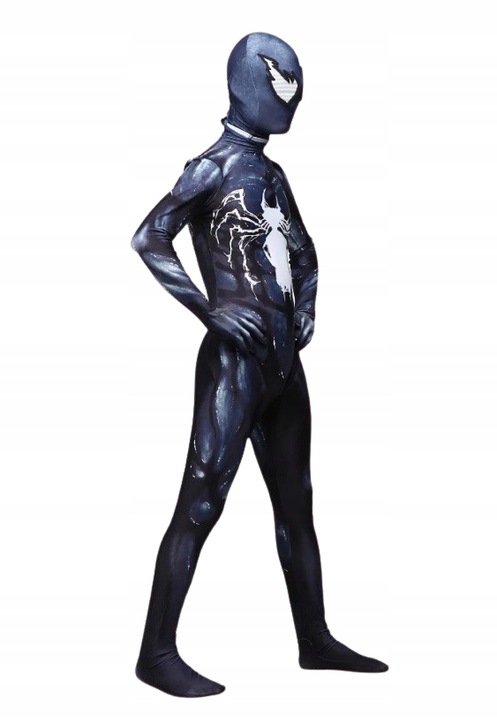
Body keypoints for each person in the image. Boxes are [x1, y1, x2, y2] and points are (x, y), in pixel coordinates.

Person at [131, 32, 388, 698]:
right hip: (233, 367)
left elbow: (304, 250)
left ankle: (315, 640)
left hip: (281, 364)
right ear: (249, 84)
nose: (294, 95)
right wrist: (208, 311)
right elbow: (149, 236)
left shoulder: (270, 174)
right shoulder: (209, 168)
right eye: (282, 81)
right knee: (201, 501)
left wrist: (307, 309)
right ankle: (155, 654)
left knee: (297, 501)